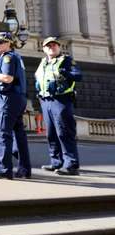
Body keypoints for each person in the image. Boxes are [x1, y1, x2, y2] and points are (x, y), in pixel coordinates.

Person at [0, 32, 32, 180]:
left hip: (8, 99)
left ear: (8, 44)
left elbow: (7, 78)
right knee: (19, 135)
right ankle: (24, 169)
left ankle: (3, 169)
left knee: (2, 133)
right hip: (16, 98)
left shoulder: (7, 57)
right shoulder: (10, 57)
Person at [35, 37, 83, 176]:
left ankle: (71, 165)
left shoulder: (67, 60)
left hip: (61, 100)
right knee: (51, 133)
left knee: (64, 132)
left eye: (54, 45)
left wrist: (65, 73)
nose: (52, 47)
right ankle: (56, 162)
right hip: (46, 100)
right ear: (44, 49)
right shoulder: (43, 62)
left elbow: (78, 76)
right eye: (48, 46)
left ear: (59, 47)